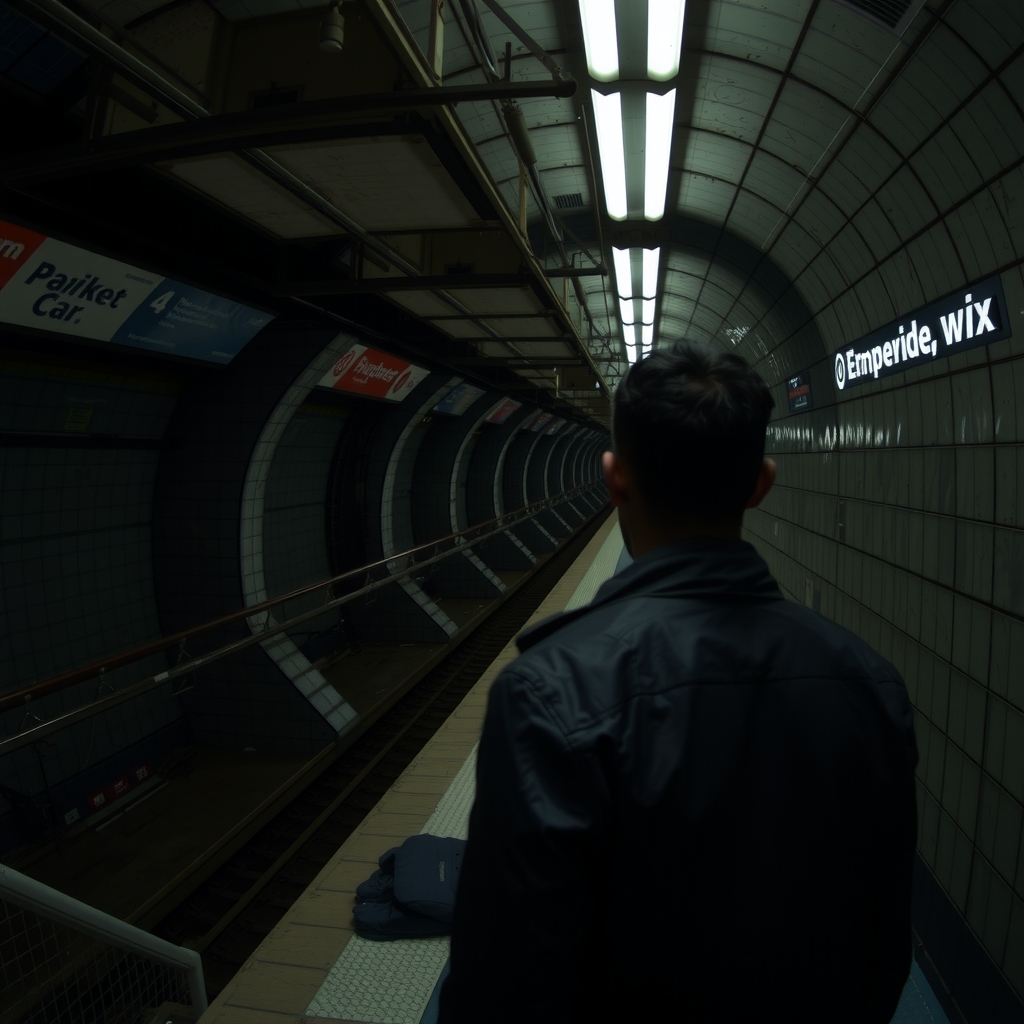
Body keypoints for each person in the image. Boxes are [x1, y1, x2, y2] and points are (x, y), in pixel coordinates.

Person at [438, 342, 918, 1024]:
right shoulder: (871, 682)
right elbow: (883, 943)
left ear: (614, 479)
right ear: (761, 483)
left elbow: (504, 981)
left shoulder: (550, 690)